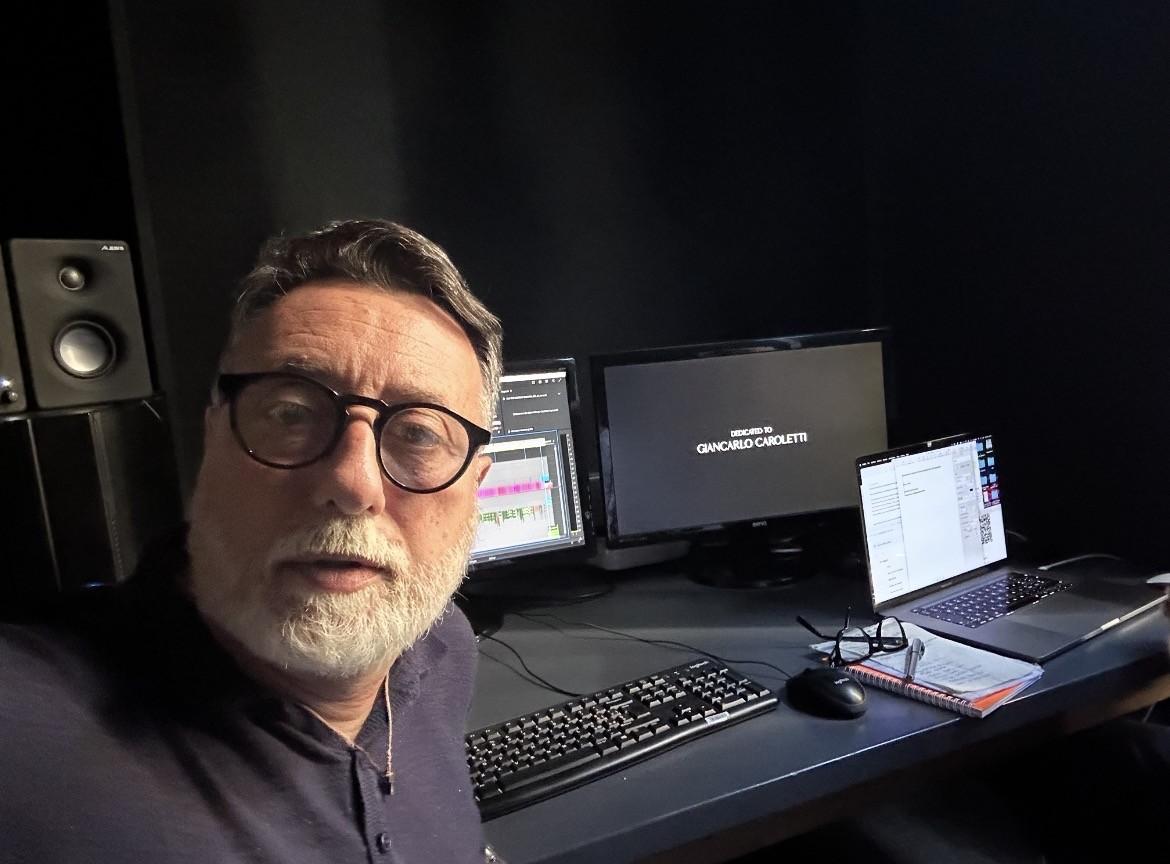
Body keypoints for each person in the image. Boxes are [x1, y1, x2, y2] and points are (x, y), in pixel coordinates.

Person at [0, 219, 503, 862]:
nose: (353, 483)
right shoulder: (26, 728)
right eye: (292, 414)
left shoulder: (441, 646)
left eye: (420, 435)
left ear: (475, 487)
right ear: (213, 435)